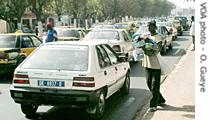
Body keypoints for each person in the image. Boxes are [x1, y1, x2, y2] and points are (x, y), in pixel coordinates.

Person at [142, 20, 166, 112]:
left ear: (155, 27)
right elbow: (141, 46)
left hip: (156, 65)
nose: (149, 28)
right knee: (149, 84)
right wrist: (142, 45)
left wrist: (150, 44)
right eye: (148, 26)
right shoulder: (146, 37)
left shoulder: (157, 37)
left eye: (150, 26)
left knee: (154, 86)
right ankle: (160, 99)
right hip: (147, 64)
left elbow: (157, 50)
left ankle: (153, 105)